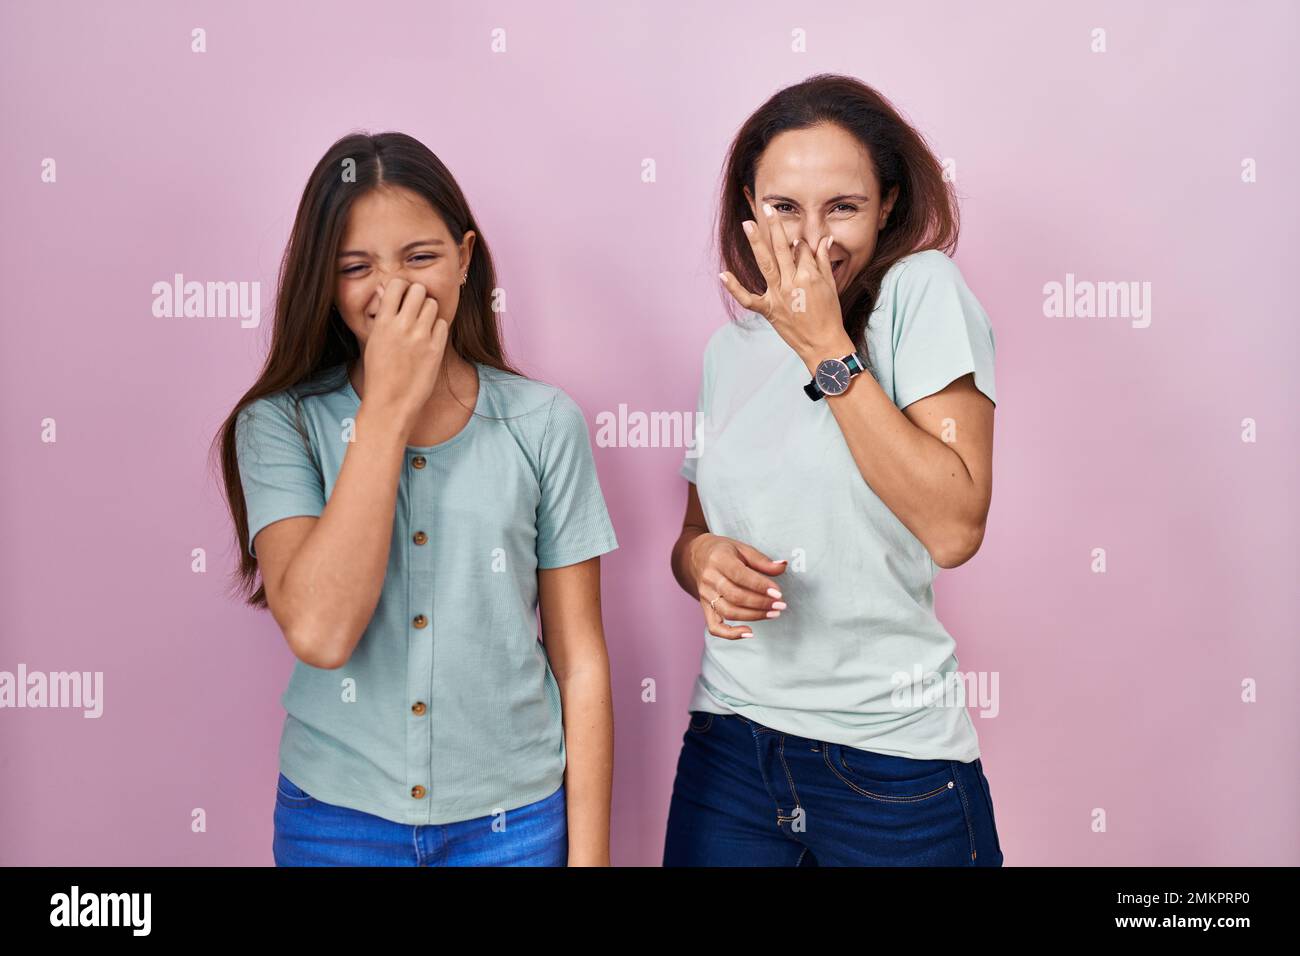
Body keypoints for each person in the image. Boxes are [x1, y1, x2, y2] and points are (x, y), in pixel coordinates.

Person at [214, 132, 618, 866]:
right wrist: (388, 412)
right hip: (335, 822)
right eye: (355, 267)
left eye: (420, 257)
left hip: (515, 823)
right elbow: (321, 632)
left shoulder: (544, 421)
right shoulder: (277, 425)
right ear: (325, 284)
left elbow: (580, 656)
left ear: (466, 258)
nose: (392, 288)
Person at [663, 74, 1004, 866]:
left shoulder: (921, 293)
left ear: (887, 205)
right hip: (731, 751)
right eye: (784, 207)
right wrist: (704, 561)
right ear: (749, 206)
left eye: (842, 207)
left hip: (892, 765)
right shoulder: (730, 349)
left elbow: (954, 527)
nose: (812, 241)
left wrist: (825, 347)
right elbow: (692, 536)